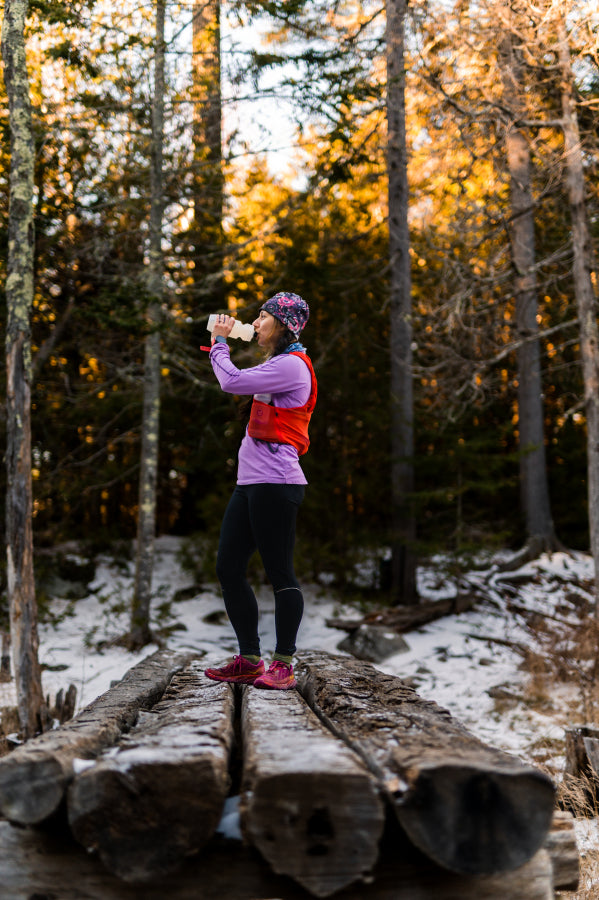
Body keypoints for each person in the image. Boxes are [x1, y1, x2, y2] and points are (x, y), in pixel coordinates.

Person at [204, 292, 317, 690]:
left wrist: (219, 342)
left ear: (284, 324)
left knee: (280, 573)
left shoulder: (292, 366)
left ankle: (283, 662)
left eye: (262, 316)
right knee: (229, 568)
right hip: (250, 484)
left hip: (277, 483)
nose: (255, 322)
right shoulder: (276, 363)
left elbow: (231, 381)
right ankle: (250, 659)